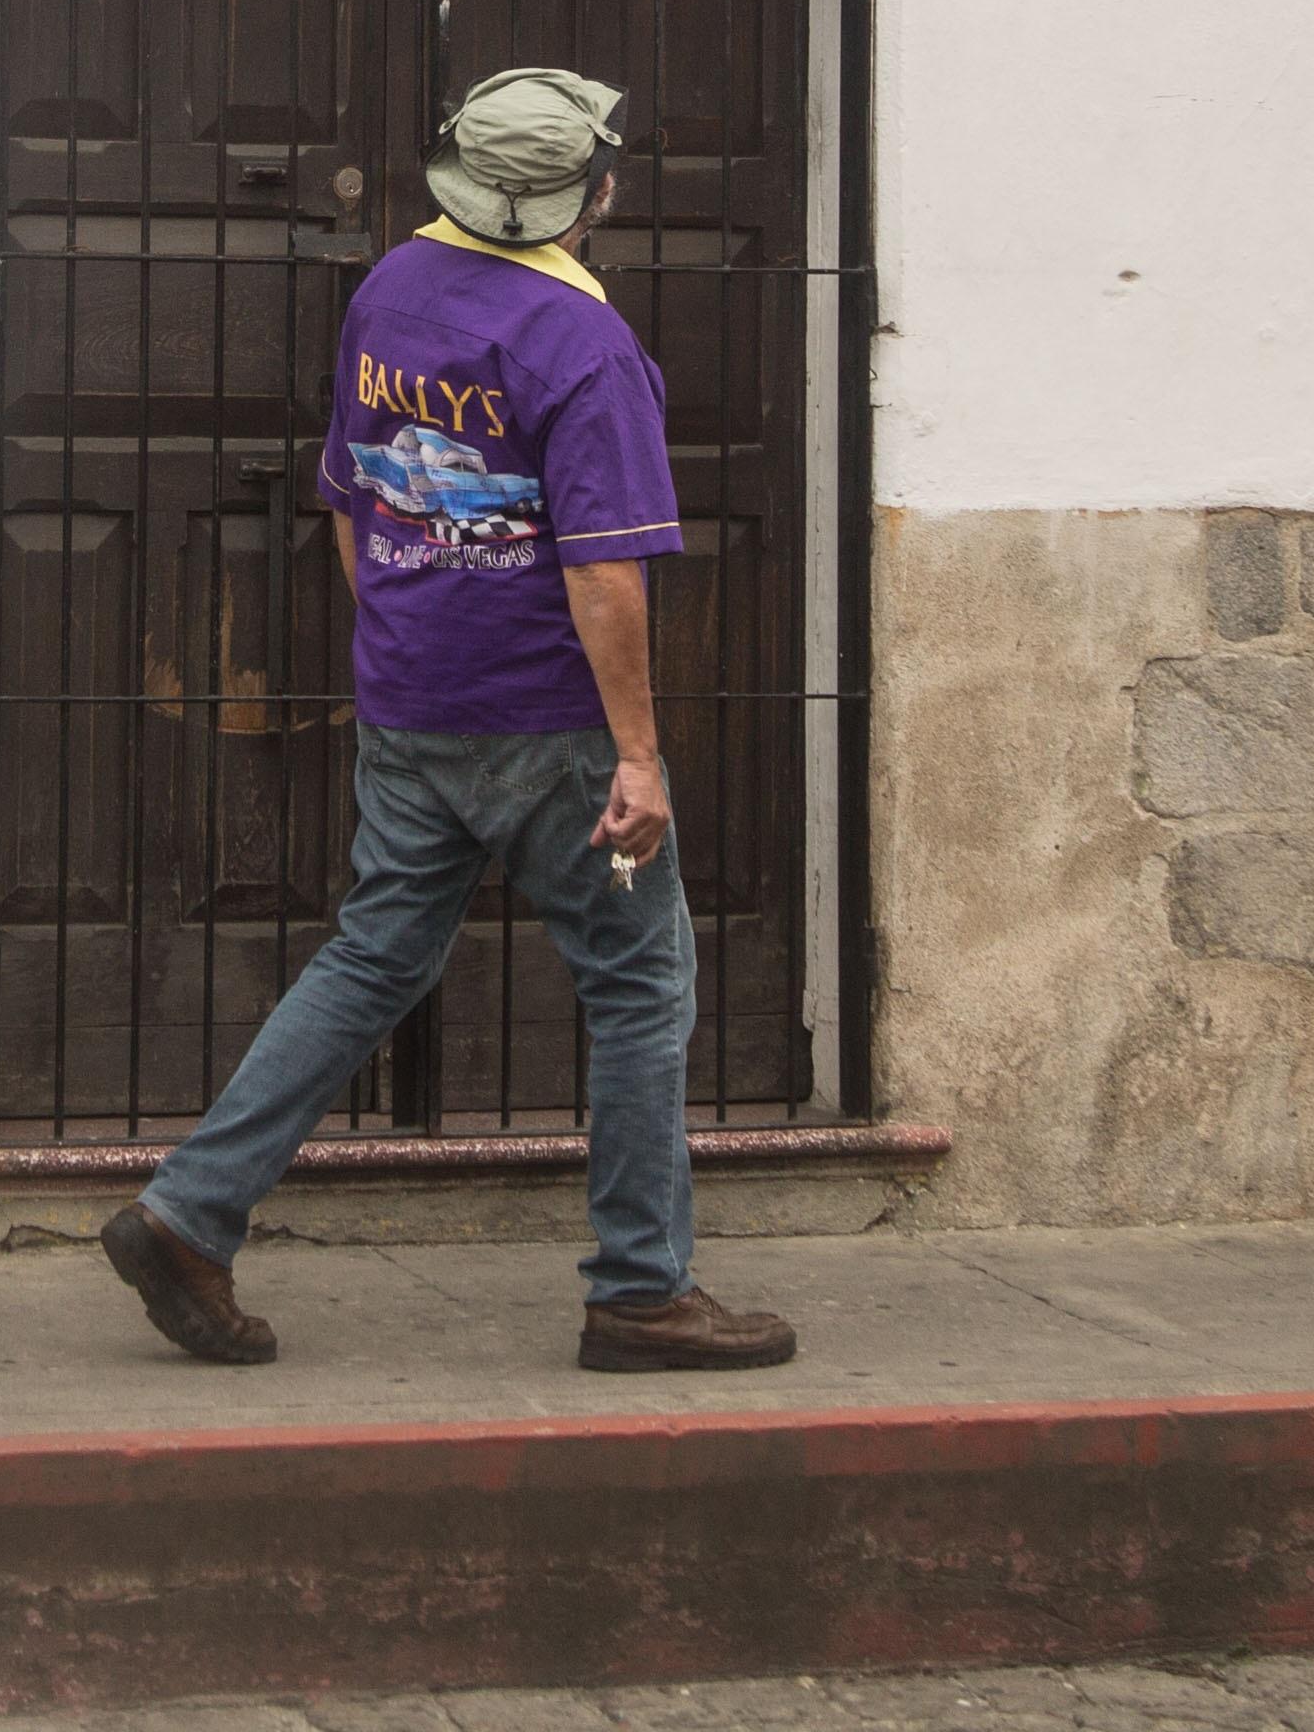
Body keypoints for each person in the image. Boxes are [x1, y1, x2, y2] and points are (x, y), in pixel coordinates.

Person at [101, 68, 796, 1377]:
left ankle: (188, 1212)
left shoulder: (391, 290)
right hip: (551, 720)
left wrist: (404, 644)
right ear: (592, 198)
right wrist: (637, 754)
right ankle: (641, 1291)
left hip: (411, 693)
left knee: (372, 958)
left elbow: (357, 502)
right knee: (642, 986)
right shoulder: (587, 347)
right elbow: (602, 569)